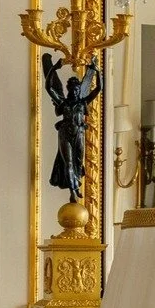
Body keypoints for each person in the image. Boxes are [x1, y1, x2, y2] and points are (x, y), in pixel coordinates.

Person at [42, 52, 102, 202]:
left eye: (77, 90)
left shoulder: (83, 102)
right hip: (65, 134)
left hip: (79, 133)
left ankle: (75, 186)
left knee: (77, 163)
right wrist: (53, 68)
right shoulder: (63, 103)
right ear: (69, 90)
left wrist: (97, 71)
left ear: (79, 91)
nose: (75, 92)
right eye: (73, 90)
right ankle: (72, 192)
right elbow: (49, 88)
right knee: (68, 162)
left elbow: (98, 89)